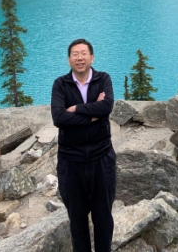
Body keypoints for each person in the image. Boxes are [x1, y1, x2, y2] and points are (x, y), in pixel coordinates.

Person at [51, 38, 116, 252]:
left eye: (84, 53)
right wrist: (91, 114)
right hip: (71, 161)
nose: (80, 58)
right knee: (77, 219)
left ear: (92, 57)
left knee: (103, 216)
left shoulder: (103, 78)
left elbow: (106, 107)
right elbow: (59, 118)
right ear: (69, 60)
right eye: (75, 54)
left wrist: (76, 109)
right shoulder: (60, 84)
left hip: (101, 158)